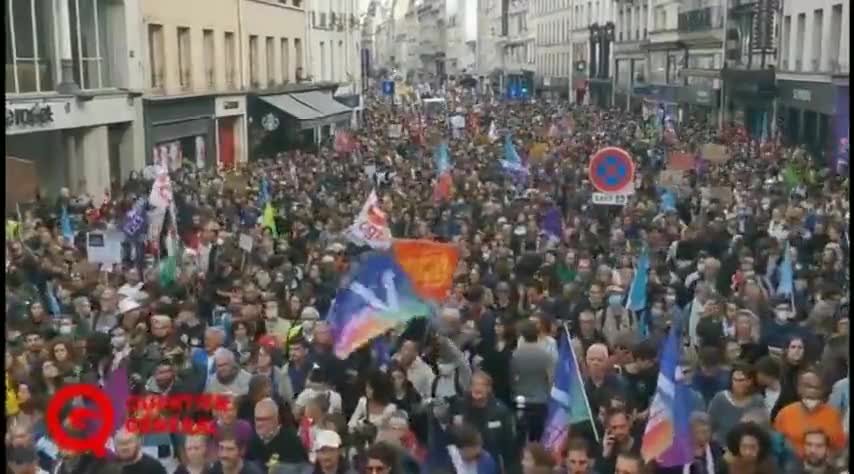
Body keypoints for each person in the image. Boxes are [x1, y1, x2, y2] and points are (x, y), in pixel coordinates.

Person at [773, 368, 846, 458]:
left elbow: (839, 447)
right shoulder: (784, 414)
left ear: (823, 390)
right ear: (799, 388)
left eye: (817, 387)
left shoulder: (834, 415)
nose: (812, 391)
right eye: (808, 386)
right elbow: (776, 446)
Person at [510, 320, 553, 441]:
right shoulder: (546, 355)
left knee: (520, 438)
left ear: (521, 336)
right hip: (540, 402)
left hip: (521, 401)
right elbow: (551, 379)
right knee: (537, 438)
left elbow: (512, 378)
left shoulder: (515, 355)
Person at [706, 362, 766, 445]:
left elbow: (762, 429)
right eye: (735, 380)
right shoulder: (720, 398)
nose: (737, 384)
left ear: (750, 381)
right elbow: (709, 424)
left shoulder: (758, 400)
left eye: (741, 380)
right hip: (722, 447)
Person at [246, 398, 308, 470]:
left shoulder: (291, 439)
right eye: (257, 419)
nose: (260, 424)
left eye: (265, 419)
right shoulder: (252, 441)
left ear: (276, 418)